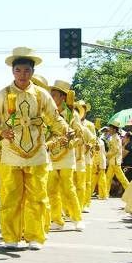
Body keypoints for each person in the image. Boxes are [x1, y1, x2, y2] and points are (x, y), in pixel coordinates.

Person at [0, 47, 68, 250]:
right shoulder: (2, 95)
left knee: (38, 197)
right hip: (10, 154)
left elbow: (54, 117)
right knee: (10, 197)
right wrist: (0, 132)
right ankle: (11, 237)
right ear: (12, 71)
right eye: (18, 70)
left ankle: (35, 236)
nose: (22, 75)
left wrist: (66, 130)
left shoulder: (41, 95)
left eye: (26, 71)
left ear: (32, 72)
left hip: (37, 154)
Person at [46, 80, 84, 231]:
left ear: (63, 97)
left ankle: (77, 218)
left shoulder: (72, 114)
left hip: (67, 155)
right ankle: (57, 220)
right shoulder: (48, 114)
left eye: (54, 95)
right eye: (51, 95)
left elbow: (80, 137)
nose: (52, 97)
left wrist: (69, 143)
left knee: (68, 188)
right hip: (51, 155)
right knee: (51, 189)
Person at [105, 122, 130, 194]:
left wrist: (107, 155)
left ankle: (130, 192)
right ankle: (105, 194)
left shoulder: (115, 138)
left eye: (110, 128)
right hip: (113, 161)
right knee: (108, 178)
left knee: (122, 178)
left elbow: (115, 150)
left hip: (115, 161)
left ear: (114, 130)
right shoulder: (113, 137)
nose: (109, 129)